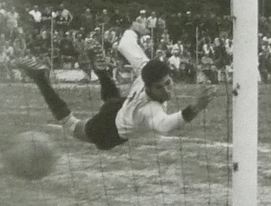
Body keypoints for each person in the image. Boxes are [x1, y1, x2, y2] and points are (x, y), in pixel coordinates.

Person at [19, 15, 216, 151]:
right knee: (72, 126)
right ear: (147, 87)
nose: (166, 90)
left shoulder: (144, 69)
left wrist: (134, 28)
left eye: (168, 83)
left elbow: (125, 44)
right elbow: (164, 126)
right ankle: (40, 79)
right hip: (110, 129)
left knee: (111, 99)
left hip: (120, 106)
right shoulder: (151, 109)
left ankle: (102, 72)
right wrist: (195, 107)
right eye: (159, 87)